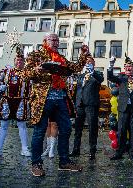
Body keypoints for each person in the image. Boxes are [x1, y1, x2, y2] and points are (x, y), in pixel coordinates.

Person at [24, 33, 89, 177]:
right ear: (45, 41)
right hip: (43, 99)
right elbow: (25, 74)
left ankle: (64, 162)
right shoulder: (36, 55)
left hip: (60, 98)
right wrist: (36, 70)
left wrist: (83, 55)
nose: (55, 42)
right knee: (40, 131)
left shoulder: (61, 58)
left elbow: (76, 67)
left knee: (66, 129)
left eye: (57, 40)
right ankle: (36, 163)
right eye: (52, 39)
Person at [0, 47, 32, 158]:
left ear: (24, 62)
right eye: (17, 60)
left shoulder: (28, 73)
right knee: (3, 125)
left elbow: (32, 88)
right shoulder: (6, 71)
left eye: (21, 60)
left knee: (22, 125)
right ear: (14, 60)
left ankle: (24, 149)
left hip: (21, 101)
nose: (19, 62)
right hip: (6, 100)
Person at [108, 55, 133, 161]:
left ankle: (132, 152)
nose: (128, 69)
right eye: (126, 67)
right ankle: (119, 152)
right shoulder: (121, 78)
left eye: (130, 67)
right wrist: (111, 65)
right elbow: (110, 77)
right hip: (123, 108)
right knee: (121, 130)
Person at [69, 60, 104, 160]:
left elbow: (100, 80)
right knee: (77, 128)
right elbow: (78, 89)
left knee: (92, 128)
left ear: (93, 64)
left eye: (90, 63)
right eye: (86, 63)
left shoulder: (97, 74)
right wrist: (75, 103)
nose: (88, 64)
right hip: (80, 104)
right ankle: (76, 149)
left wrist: (92, 71)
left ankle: (92, 151)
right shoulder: (81, 75)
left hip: (91, 105)